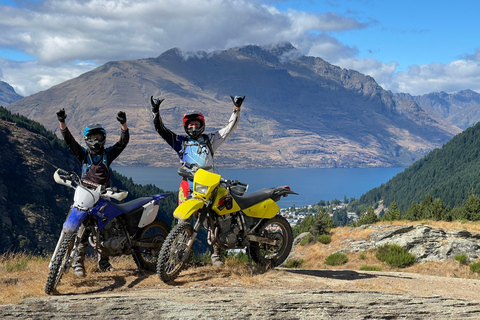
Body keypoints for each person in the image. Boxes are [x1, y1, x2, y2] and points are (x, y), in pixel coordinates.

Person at [150, 94, 244, 266]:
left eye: (196, 124)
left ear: (202, 125)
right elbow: (162, 130)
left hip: (209, 186)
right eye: (190, 125)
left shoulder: (210, 140)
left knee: (215, 219)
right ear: (186, 127)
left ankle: (216, 254)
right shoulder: (180, 142)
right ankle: (180, 258)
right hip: (188, 186)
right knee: (183, 220)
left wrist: (236, 110)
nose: (193, 127)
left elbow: (228, 129)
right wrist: (155, 111)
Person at [56, 108, 130, 277]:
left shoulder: (108, 154)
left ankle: (103, 263)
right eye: (92, 138)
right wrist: (62, 123)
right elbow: (69, 141)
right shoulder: (83, 155)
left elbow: (122, 143)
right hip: (86, 198)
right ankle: (78, 264)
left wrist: (123, 125)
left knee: (104, 230)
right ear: (87, 139)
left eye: (99, 137)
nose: (96, 141)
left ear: (103, 138)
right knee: (82, 231)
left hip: (103, 197)